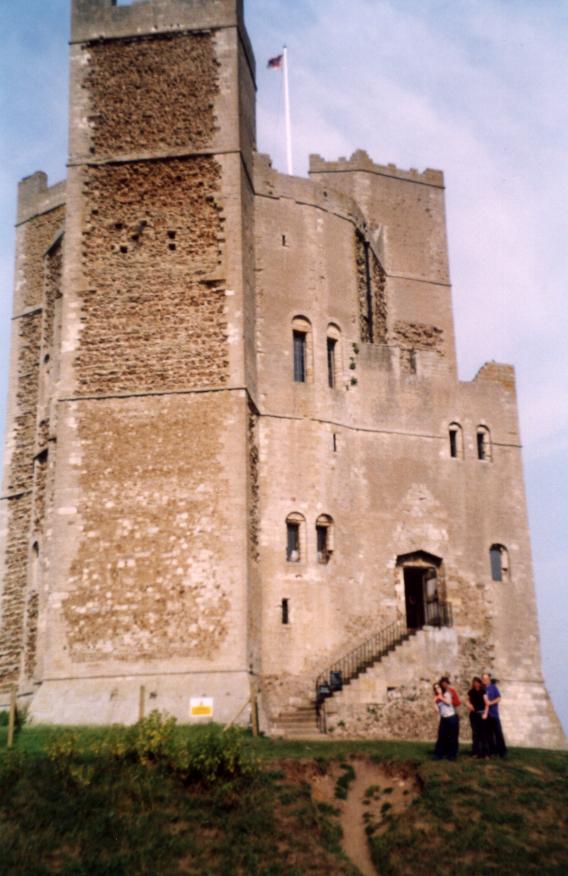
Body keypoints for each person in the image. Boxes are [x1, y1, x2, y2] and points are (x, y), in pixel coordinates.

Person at [482, 672, 507, 758]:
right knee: (489, 734)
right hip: (486, 715)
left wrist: (491, 703)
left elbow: (499, 698)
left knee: (498, 733)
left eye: (486, 679)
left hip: (494, 714)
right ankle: (492, 751)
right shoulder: (482, 688)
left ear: (489, 679)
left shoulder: (493, 687)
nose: (484, 680)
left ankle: (502, 752)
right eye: (483, 679)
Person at [433, 680, 459, 760]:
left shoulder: (447, 694)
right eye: (436, 688)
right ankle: (439, 755)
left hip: (452, 717)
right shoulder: (437, 697)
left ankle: (452, 755)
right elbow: (438, 710)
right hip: (444, 718)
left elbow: (449, 702)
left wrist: (441, 697)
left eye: (438, 687)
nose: (438, 689)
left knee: (453, 737)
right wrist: (434, 703)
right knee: (441, 736)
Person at [467, 676, 489, 758]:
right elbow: (467, 701)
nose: (476, 684)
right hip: (473, 715)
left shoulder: (483, 692)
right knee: (475, 734)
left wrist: (485, 714)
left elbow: (487, 704)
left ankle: (485, 753)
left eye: (477, 682)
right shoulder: (471, 692)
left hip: (482, 714)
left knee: (483, 734)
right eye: (474, 682)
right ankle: (475, 753)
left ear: (480, 683)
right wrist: (469, 705)